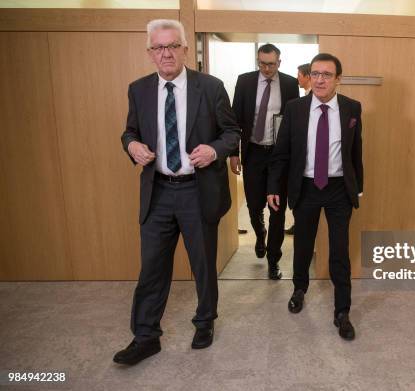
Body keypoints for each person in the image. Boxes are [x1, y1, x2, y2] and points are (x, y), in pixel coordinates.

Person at [114, 19, 240, 365]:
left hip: (197, 192)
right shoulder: (138, 89)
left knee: (202, 265)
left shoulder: (211, 87)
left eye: (172, 46)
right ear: (150, 53)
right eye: (158, 48)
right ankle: (145, 336)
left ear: (185, 49)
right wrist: (133, 146)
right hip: (157, 193)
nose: (166, 53)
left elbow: (231, 133)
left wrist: (214, 150)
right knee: (152, 267)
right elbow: (129, 132)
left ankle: (204, 322)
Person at [267, 53, 363, 341]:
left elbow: (356, 151)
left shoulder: (352, 108)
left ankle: (342, 310)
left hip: (338, 189)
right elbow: (281, 152)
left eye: (327, 74)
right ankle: (299, 289)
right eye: (315, 73)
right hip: (306, 187)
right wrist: (274, 186)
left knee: (339, 250)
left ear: (338, 79)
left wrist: (358, 187)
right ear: (309, 77)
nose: (320, 79)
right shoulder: (295, 108)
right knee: (303, 244)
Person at [230, 44, 299, 279]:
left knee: (277, 210)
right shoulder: (245, 81)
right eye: (262, 63)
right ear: (257, 61)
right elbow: (234, 120)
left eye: (271, 64)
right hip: (254, 153)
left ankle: (273, 259)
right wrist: (233, 153)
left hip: (279, 156)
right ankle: (260, 234)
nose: (266, 69)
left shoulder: (290, 84)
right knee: (253, 205)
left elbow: (293, 122)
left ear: (279, 62)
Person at [285, 63, 312, 236]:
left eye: (299, 75)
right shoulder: (297, 104)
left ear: (307, 76)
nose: (297, 78)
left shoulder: (309, 101)